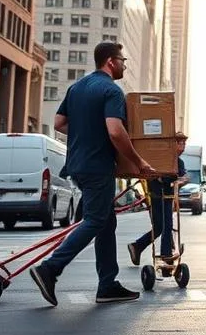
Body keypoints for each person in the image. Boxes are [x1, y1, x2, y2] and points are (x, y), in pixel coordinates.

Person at [29, 41, 156, 306]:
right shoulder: (111, 90)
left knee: (106, 222)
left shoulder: (77, 88)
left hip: (77, 164)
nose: (123, 64)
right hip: (98, 167)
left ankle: (107, 285)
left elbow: (59, 123)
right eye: (122, 60)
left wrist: (85, 133)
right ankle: (50, 268)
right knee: (96, 220)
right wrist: (138, 161)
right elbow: (115, 131)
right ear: (110, 61)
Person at [128, 135, 188, 266]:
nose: (183, 146)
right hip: (157, 196)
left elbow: (182, 177)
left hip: (168, 197)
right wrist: (168, 179)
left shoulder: (179, 162)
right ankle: (166, 253)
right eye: (180, 143)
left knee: (162, 226)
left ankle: (138, 246)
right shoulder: (161, 159)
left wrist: (180, 180)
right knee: (164, 224)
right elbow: (156, 176)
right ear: (173, 144)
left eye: (184, 143)